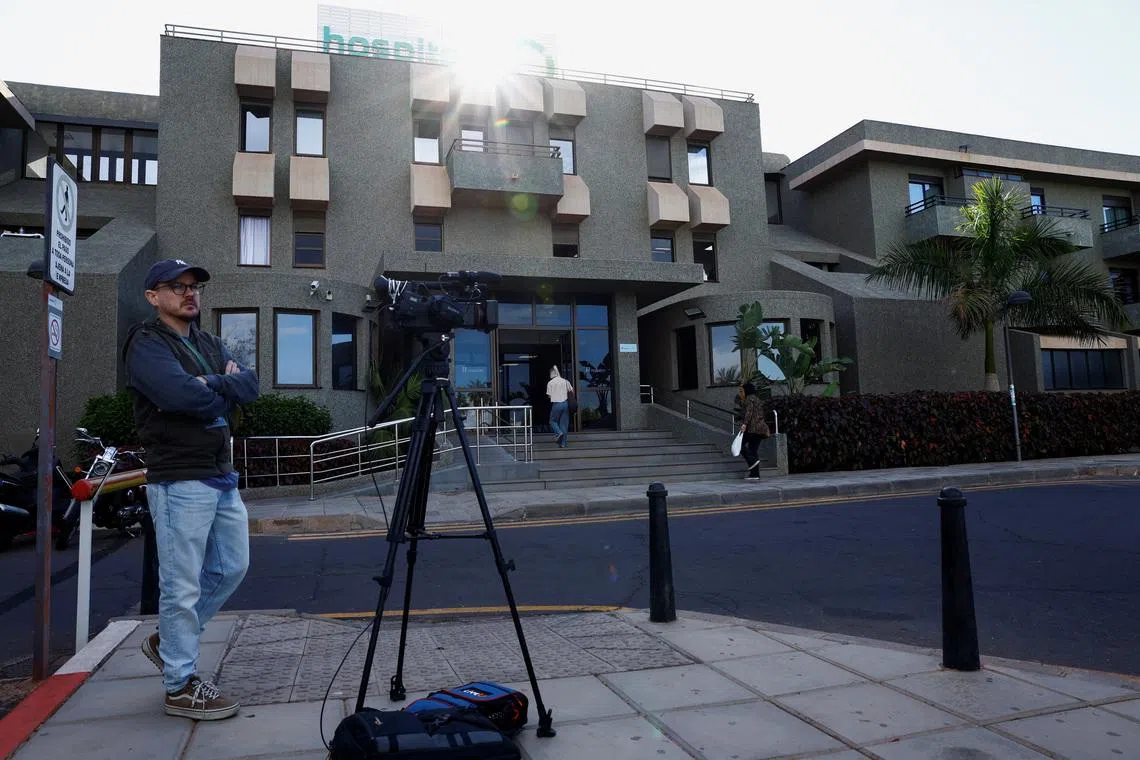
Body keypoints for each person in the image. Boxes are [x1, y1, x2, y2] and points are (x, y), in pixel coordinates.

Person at [123, 259, 260, 720]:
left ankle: (168, 641)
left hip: (221, 472)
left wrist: (215, 382)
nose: (190, 293)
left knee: (232, 567)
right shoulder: (147, 343)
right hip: (179, 477)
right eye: (177, 286)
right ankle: (179, 684)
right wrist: (223, 387)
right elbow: (180, 396)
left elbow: (251, 384)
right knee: (180, 586)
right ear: (152, 296)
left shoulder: (208, 341)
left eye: (195, 286)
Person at [738, 382, 771, 480]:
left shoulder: (749, 399)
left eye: (742, 391)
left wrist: (744, 424)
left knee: (740, 445)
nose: (741, 393)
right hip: (761, 429)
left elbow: (749, 412)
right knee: (752, 450)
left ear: (746, 391)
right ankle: (755, 474)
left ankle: (752, 461)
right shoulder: (757, 399)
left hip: (753, 428)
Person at [546, 366, 575, 448]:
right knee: (564, 424)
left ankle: (558, 433)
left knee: (552, 421)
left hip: (556, 404)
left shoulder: (550, 383)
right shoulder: (565, 381)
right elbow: (572, 391)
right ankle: (563, 444)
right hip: (565, 404)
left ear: (552, 373)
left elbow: (549, 396)